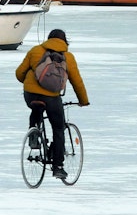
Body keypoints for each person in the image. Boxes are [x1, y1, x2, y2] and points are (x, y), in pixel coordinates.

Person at [15, 28, 89, 180]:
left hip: (31, 94)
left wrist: (30, 82)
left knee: (36, 107)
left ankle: (34, 133)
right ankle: (58, 167)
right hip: (51, 97)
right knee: (58, 127)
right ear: (65, 41)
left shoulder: (35, 51)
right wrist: (83, 100)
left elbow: (19, 73)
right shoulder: (68, 57)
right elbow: (77, 81)